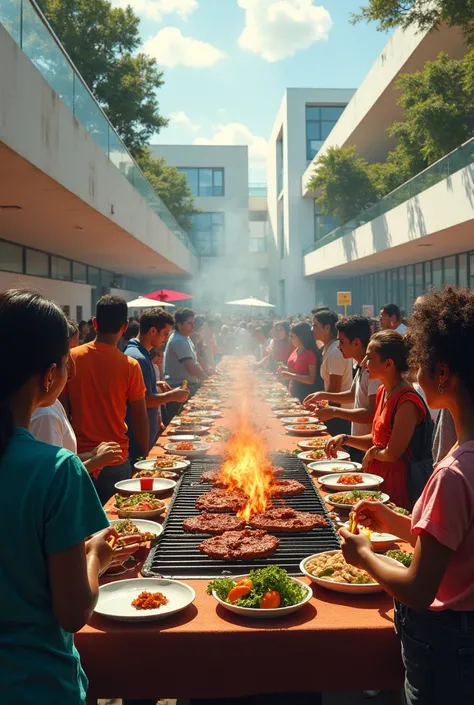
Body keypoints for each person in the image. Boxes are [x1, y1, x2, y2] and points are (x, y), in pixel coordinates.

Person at [0, 289, 138, 704]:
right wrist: (97, 553)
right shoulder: (57, 468)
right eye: (67, 364)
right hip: (35, 683)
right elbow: (74, 612)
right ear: (48, 375)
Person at [340, 286, 474, 705]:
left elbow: (418, 588)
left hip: (445, 647)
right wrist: (395, 521)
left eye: (420, 364)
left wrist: (363, 555)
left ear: (442, 373)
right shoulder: (461, 452)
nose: (414, 373)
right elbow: (451, 542)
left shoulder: (453, 471)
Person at [327, 330, 433, 509]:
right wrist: (345, 438)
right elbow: (378, 440)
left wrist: (372, 454)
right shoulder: (383, 391)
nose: (363, 363)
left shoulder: (407, 401)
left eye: (369, 358)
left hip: (398, 485)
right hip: (378, 479)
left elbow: (392, 453)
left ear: (389, 363)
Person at [63, 295, 149, 504]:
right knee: (117, 525)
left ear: (94, 323)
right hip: (116, 458)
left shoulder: (71, 358)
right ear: (125, 326)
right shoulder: (129, 365)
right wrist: (145, 455)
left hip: (80, 459)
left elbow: (63, 412)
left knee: (86, 531)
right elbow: (140, 417)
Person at [30, 319, 123, 473]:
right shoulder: (45, 414)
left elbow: (64, 459)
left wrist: (92, 455)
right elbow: (55, 478)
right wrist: (95, 461)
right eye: (68, 358)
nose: (73, 368)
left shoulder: (51, 403)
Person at [304, 315, 381, 464]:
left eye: (342, 341)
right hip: (359, 442)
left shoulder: (373, 371)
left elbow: (371, 413)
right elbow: (352, 395)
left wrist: (334, 412)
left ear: (357, 342)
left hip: (370, 446)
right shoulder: (360, 365)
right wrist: (322, 395)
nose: (339, 346)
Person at [124, 308, 189, 462]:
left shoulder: (142, 353)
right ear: (153, 331)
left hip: (144, 433)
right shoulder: (138, 358)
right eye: (165, 333)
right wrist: (172, 396)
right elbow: (143, 401)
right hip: (137, 438)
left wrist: (156, 384)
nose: (166, 338)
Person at [311, 308, 353, 438]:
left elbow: (334, 391)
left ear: (327, 327)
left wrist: (326, 412)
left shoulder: (335, 351)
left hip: (340, 415)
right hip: (334, 412)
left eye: (315, 325)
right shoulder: (328, 348)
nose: (312, 329)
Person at [164, 308, 208, 422]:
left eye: (193, 323)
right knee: (183, 423)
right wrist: (206, 380)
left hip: (185, 387)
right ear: (179, 324)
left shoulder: (185, 338)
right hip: (180, 389)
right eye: (189, 323)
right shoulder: (179, 340)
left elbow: (195, 362)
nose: (193, 326)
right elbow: (191, 367)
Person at [278, 322, 323, 402]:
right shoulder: (296, 350)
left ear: (301, 337)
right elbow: (297, 370)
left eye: (292, 336)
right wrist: (284, 369)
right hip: (294, 391)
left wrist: (291, 375)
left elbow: (311, 379)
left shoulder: (310, 354)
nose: (290, 339)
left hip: (304, 395)